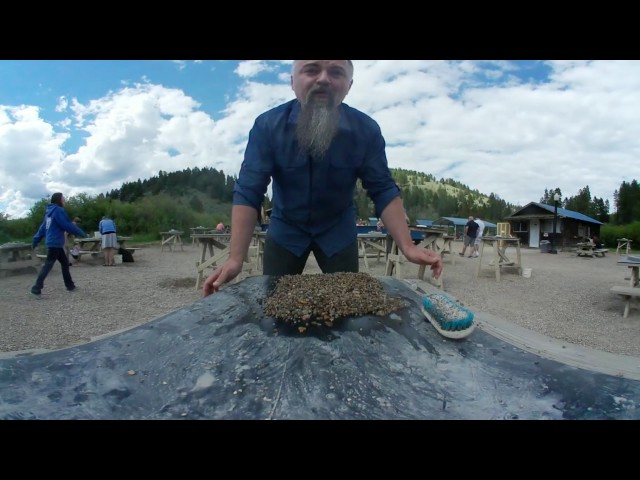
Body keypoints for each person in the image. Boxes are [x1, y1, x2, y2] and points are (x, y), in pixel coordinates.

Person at [203, 60, 443, 296]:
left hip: (338, 230)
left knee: (349, 306)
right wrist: (235, 259)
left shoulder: (366, 130)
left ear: (348, 86)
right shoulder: (267, 126)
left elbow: (383, 190)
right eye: (311, 69)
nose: (324, 79)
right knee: (273, 302)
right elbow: (249, 190)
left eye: (336, 72)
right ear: (292, 81)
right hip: (286, 228)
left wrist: (408, 247)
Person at [30, 192, 87, 296]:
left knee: (65, 263)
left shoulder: (49, 213)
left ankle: (70, 285)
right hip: (55, 242)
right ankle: (36, 287)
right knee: (48, 265)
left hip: (53, 242)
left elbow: (42, 229)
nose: (64, 201)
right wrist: (82, 233)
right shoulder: (58, 211)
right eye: (63, 199)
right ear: (58, 200)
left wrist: (35, 240)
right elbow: (67, 225)